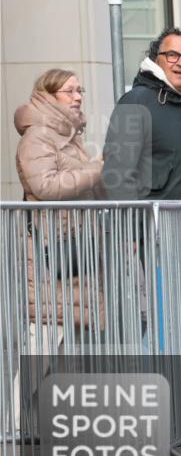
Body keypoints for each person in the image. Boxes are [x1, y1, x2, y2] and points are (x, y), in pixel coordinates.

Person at [101, 28, 181, 266]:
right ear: (156, 58)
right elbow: (116, 173)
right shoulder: (136, 100)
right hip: (144, 241)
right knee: (152, 304)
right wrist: (131, 231)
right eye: (172, 55)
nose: (180, 63)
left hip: (178, 235)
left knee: (174, 304)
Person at [15, 69, 105, 331]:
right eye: (70, 91)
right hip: (51, 245)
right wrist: (97, 169)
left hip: (70, 243)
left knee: (73, 329)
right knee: (49, 331)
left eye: (80, 91)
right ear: (49, 96)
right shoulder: (38, 136)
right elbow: (45, 185)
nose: (78, 97)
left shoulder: (68, 136)